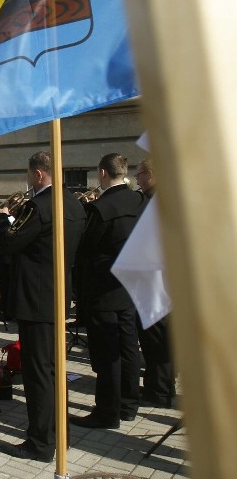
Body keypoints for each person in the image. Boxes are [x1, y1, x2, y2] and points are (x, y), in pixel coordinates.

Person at [0, 151, 86, 462]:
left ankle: (41, 443)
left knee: (38, 373)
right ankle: (61, 434)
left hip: (36, 299)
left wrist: (2, 218)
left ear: (39, 175)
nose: (29, 179)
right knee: (56, 370)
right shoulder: (73, 203)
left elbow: (10, 243)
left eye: (29, 174)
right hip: (59, 296)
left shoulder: (39, 205)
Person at [72, 153, 147, 429]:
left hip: (104, 288)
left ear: (103, 173)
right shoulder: (141, 201)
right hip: (130, 285)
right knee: (128, 347)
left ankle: (107, 411)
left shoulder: (101, 208)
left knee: (106, 353)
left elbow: (85, 249)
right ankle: (129, 405)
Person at [133, 157, 175, 407]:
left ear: (150, 174)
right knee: (164, 339)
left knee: (154, 339)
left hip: (155, 278)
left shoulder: (149, 201)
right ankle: (164, 387)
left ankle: (158, 391)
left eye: (139, 175)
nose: (137, 180)